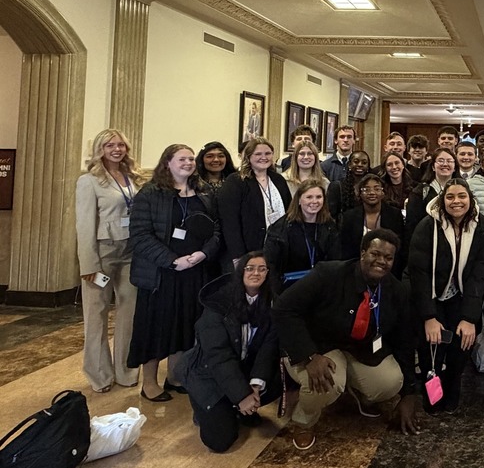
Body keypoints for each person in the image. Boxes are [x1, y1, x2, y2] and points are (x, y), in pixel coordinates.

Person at [273, 229, 419, 450]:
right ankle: (303, 420)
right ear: (362, 253)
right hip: (318, 346)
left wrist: (408, 394)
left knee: (390, 382)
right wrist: (309, 356)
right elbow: (283, 309)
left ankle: (355, 392)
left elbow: (404, 339)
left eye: (388, 258)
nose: (381, 261)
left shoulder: (395, 290)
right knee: (325, 383)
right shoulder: (328, 274)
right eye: (375, 254)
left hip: (359, 349)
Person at [128, 144, 220, 403]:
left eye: (191, 159)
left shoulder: (203, 191)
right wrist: (172, 261)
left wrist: (203, 254)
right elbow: (140, 235)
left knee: (185, 325)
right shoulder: (150, 193)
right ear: (167, 162)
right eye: (182, 159)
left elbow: (216, 230)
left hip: (195, 270)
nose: (188, 163)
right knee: (156, 326)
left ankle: (176, 376)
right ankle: (149, 382)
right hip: (161, 274)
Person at [176, 252, 280, 453]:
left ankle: (237, 406)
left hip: (240, 369)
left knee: (276, 381)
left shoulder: (272, 303)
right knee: (220, 441)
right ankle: (205, 404)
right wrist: (242, 395)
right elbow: (218, 356)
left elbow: (268, 349)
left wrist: (255, 387)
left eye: (262, 268)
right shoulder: (217, 304)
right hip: (207, 373)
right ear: (240, 271)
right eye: (249, 268)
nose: (255, 273)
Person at [408, 179, 484, 413]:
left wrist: (470, 318)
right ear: (442, 200)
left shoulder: (481, 227)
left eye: (462, 196)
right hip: (432, 298)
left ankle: (452, 387)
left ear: (470, 199)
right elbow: (419, 273)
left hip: (462, 298)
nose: (456, 202)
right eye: (451, 197)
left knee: (460, 346)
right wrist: (429, 317)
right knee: (432, 349)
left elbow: (479, 275)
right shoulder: (427, 226)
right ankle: (433, 395)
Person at [75, 129, 143, 393]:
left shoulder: (132, 177)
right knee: (97, 314)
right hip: (102, 253)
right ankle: (99, 374)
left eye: (120, 145)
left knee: (129, 312)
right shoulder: (89, 181)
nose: (116, 149)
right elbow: (84, 224)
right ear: (100, 149)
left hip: (130, 251)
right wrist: (88, 265)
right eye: (109, 145)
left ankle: (126, 370)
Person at [218, 138, 292, 271]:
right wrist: (237, 256)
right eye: (258, 154)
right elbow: (230, 221)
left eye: (268, 153)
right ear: (248, 156)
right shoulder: (236, 182)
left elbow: (289, 211)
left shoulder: (278, 180)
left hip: (277, 248)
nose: (264, 157)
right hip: (248, 250)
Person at [262, 181, 340, 293]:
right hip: (289, 290)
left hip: (322, 288)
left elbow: (335, 261)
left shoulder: (330, 226)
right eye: (309, 197)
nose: (314, 201)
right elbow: (272, 265)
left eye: (318, 197)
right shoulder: (280, 228)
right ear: (299, 200)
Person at [341, 174, 406, 271]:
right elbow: (345, 249)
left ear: (383, 193)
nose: (372, 192)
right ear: (360, 193)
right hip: (356, 269)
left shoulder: (394, 215)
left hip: (387, 270)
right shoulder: (349, 217)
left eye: (377, 189)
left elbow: (399, 248)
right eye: (366, 189)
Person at [405, 147, 458, 239]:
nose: (445, 164)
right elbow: (412, 224)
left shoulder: (461, 191)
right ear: (433, 166)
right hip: (425, 240)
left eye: (449, 161)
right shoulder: (420, 192)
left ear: (454, 167)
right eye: (441, 161)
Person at [326, 150, 371, 222]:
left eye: (364, 162)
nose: (360, 164)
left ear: (368, 167)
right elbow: (331, 215)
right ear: (349, 165)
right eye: (356, 162)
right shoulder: (337, 186)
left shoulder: (372, 187)